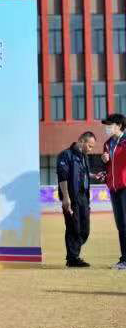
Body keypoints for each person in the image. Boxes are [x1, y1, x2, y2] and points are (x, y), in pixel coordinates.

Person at [56, 132, 98, 268]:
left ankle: (73, 255)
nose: (90, 149)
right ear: (81, 141)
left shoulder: (84, 156)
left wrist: (93, 175)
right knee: (73, 228)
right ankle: (73, 258)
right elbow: (62, 177)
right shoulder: (66, 155)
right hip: (71, 197)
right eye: (90, 146)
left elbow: (82, 173)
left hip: (84, 197)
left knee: (85, 230)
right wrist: (66, 197)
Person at [101, 114, 126, 270]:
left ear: (119, 125)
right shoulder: (107, 143)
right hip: (114, 188)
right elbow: (109, 167)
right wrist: (104, 161)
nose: (107, 128)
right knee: (121, 225)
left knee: (125, 223)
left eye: (109, 125)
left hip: (125, 187)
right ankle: (124, 259)